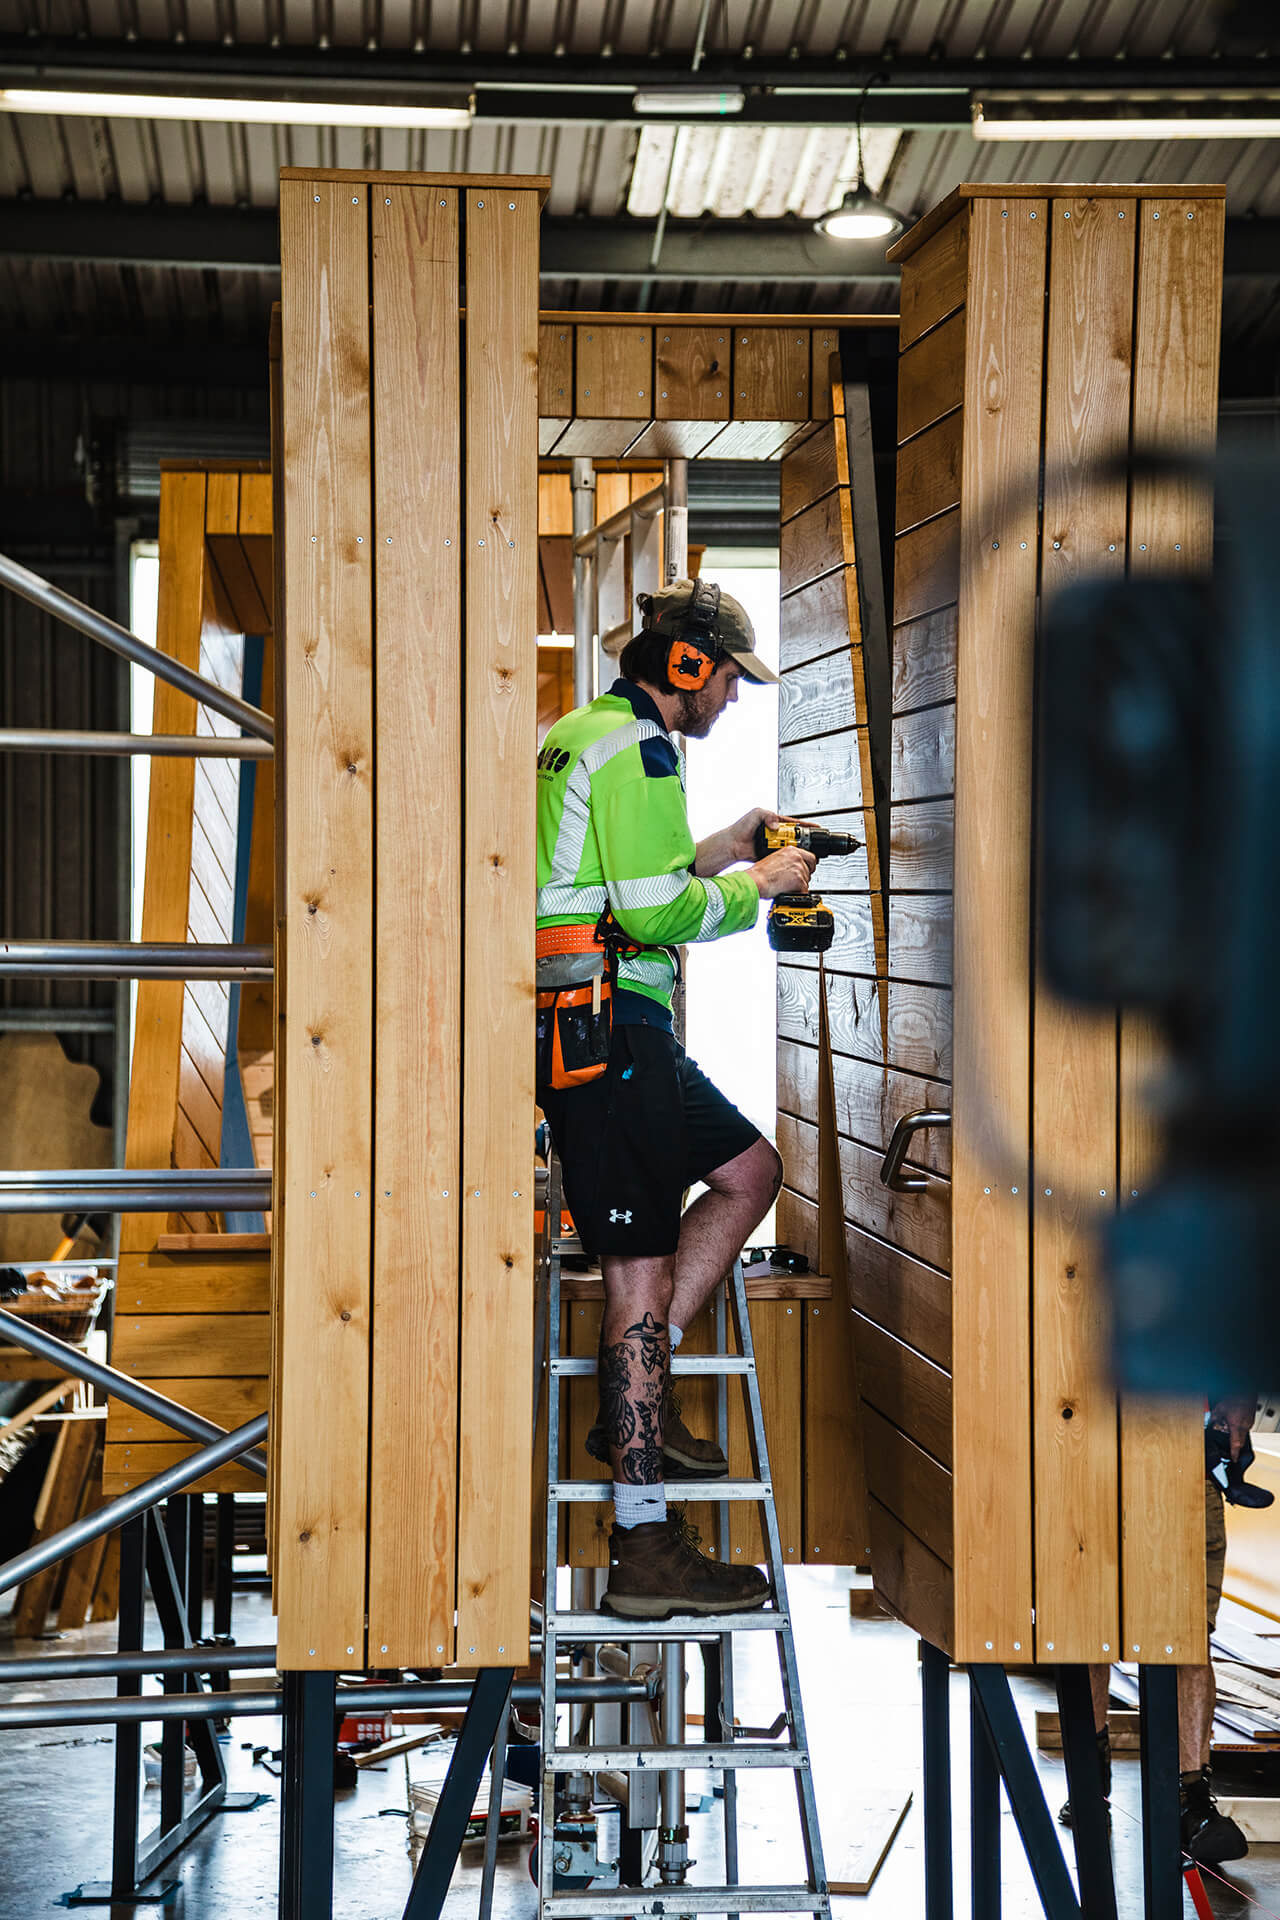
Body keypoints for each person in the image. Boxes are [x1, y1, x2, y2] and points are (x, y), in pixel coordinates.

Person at [535, 578, 815, 1620]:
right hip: (604, 1034)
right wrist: (763, 888)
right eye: (730, 676)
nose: (734, 698)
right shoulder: (637, 747)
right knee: (638, 1278)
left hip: (616, 1027)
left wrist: (728, 845)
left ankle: (632, 1406)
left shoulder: (589, 736)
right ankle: (643, 1544)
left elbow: (633, 882)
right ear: (687, 664)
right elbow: (654, 910)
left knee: (750, 1172)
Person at [1059, 1397, 1258, 1866]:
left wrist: (1237, 1406)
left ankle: (1191, 1802)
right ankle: (1091, 1783)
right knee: (1091, 1631)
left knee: (1189, 1638)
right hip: (1094, 1459)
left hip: (1186, 1466)